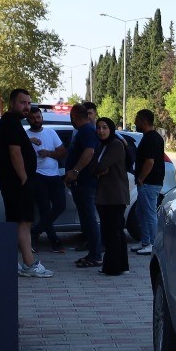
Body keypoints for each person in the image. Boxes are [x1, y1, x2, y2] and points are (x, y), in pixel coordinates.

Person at [0, 88, 53, 278]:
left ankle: (13, 262)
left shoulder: (12, 123)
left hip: (15, 181)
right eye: (22, 102)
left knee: (18, 222)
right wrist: (24, 178)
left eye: (28, 103)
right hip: (17, 182)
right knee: (23, 222)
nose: (26, 106)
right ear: (12, 103)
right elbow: (15, 153)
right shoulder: (10, 123)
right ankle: (29, 263)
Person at [64, 101, 103, 268]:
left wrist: (75, 171)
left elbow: (89, 152)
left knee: (89, 219)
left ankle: (95, 255)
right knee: (86, 220)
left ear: (74, 117)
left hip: (85, 182)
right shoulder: (83, 131)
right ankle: (92, 253)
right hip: (81, 183)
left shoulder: (86, 131)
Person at [93, 116, 130, 276]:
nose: (101, 131)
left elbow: (100, 166)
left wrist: (99, 169)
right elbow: (94, 166)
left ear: (111, 129)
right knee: (115, 231)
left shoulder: (115, 145)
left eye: (104, 127)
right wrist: (98, 169)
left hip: (114, 196)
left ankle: (112, 267)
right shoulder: (103, 146)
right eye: (99, 127)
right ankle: (121, 265)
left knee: (112, 232)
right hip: (106, 195)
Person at [26, 106, 66, 252]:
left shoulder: (50, 132)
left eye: (38, 117)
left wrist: (49, 153)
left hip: (54, 175)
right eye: (33, 118)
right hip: (37, 175)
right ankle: (54, 242)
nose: (36, 120)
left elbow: (62, 152)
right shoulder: (25, 136)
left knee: (60, 205)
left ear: (42, 117)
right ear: (28, 119)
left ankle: (35, 231)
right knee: (44, 209)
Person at [131, 108, 165, 256]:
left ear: (144, 121)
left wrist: (140, 179)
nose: (135, 123)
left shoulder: (151, 138)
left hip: (149, 183)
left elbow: (149, 162)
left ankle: (152, 243)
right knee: (141, 212)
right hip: (147, 183)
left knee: (149, 213)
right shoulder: (150, 136)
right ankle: (145, 241)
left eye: (137, 120)